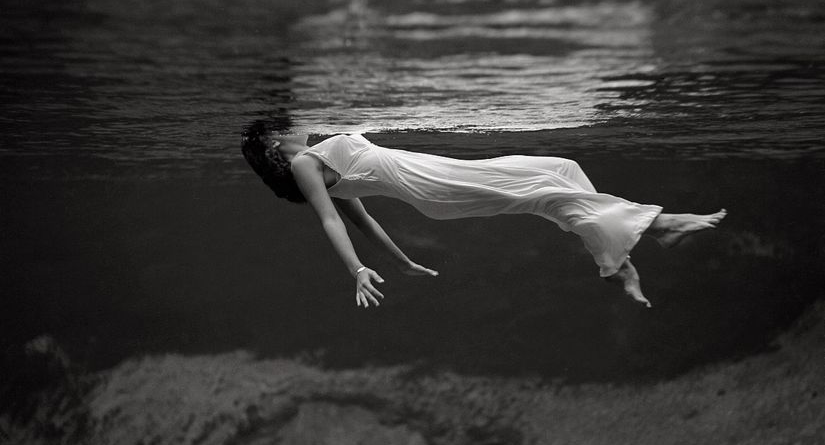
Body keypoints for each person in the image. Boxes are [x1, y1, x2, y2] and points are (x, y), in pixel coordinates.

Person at [241, 122, 726, 309]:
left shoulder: (315, 157)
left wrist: (403, 262)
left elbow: (364, 220)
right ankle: (657, 228)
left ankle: (616, 256)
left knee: (560, 169)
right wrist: (357, 269)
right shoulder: (305, 165)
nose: (297, 120)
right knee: (545, 194)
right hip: (432, 187)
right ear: (272, 141)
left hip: (436, 176)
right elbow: (333, 219)